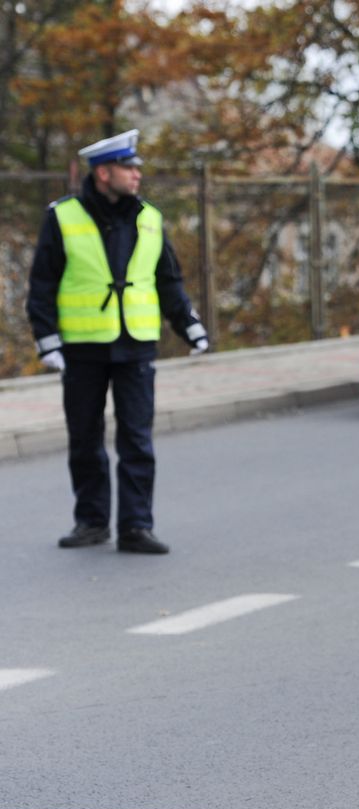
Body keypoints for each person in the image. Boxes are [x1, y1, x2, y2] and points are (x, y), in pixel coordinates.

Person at [26, 129, 209, 555]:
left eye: (137, 168)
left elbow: (169, 281)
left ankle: (136, 527)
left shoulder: (149, 218)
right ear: (104, 173)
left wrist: (190, 326)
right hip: (82, 347)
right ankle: (90, 521)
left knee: (137, 439)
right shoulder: (63, 216)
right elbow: (42, 283)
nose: (137, 175)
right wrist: (47, 341)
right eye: (129, 168)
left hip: (137, 345)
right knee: (85, 437)